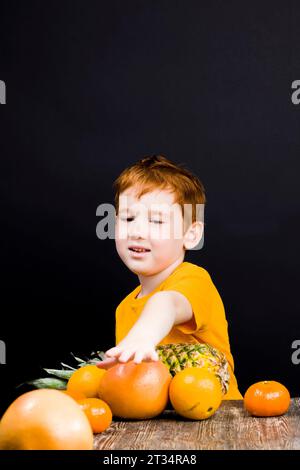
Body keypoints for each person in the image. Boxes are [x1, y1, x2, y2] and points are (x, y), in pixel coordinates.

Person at [97, 155, 242, 399]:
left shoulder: (194, 280)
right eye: (128, 218)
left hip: (220, 419)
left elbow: (167, 304)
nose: (138, 231)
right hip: (161, 428)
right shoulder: (124, 310)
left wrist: (142, 338)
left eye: (156, 220)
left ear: (191, 235)